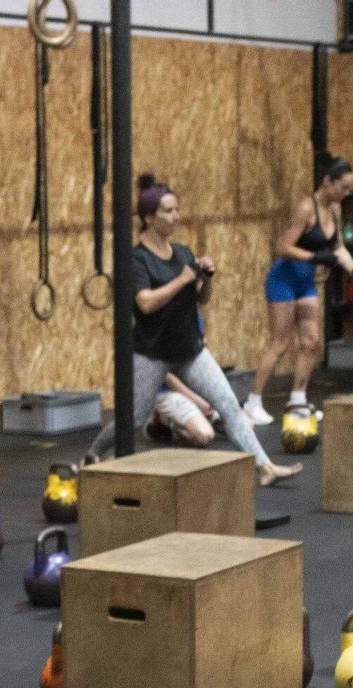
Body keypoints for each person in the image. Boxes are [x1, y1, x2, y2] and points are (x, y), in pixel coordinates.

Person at [87, 176, 299, 485]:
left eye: (177, 210)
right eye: (168, 211)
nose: (175, 217)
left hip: (190, 350)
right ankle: (92, 454)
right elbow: (144, 304)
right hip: (152, 354)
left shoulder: (184, 254)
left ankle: (265, 468)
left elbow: (201, 299)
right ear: (148, 218)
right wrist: (182, 280)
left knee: (228, 404)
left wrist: (206, 279)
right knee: (131, 420)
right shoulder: (137, 260)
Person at [243, 157, 353, 425]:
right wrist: (314, 258)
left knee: (311, 342)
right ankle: (252, 403)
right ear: (327, 181)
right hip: (283, 280)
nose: (345, 193)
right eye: (342, 187)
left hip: (305, 282)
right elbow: (283, 247)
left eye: (349, 189)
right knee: (280, 342)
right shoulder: (307, 208)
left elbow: (338, 247)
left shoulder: (336, 209)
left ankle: (297, 400)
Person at [150, 371, 221, 446]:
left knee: (226, 415)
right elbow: (168, 378)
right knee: (205, 436)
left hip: (187, 385)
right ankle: (163, 420)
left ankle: (209, 417)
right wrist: (198, 402)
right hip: (168, 391)